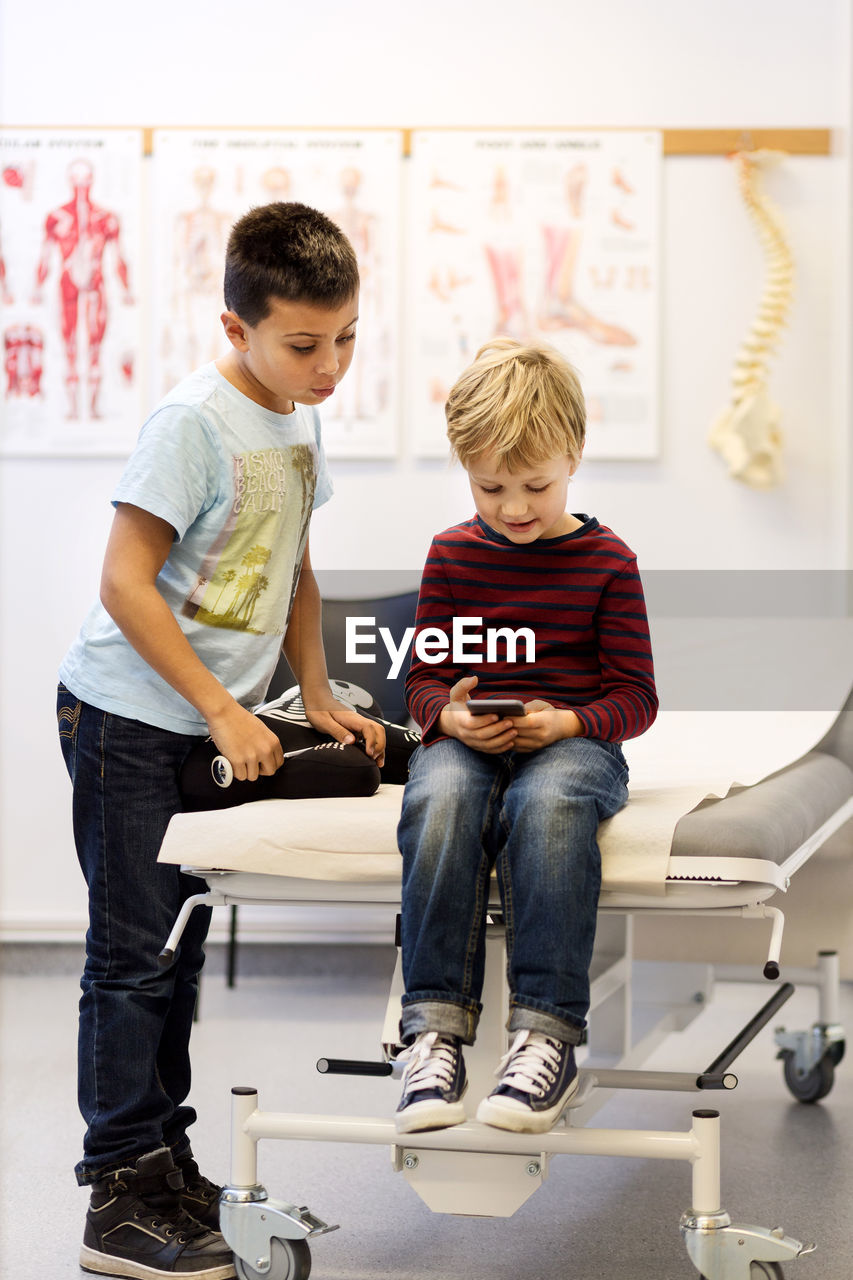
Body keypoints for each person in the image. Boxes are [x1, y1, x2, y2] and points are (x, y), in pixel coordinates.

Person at [57, 201, 385, 1280]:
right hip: (128, 722)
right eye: (304, 343)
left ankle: (164, 1156)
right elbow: (122, 581)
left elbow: (294, 562)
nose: (329, 363)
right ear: (234, 326)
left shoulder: (298, 415)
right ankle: (117, 1193)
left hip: (213, 719)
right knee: (132, 958)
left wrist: (313, 689)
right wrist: (220, 706)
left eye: (344, 338)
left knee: (179, 945)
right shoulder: (193, 423)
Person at [395, 337, 657, 1136]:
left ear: (573, 457)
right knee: (438, 792)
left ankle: (546, 1037)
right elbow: (420, 683)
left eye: (535, 486)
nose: (512, 507)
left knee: (546, 806)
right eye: (489, 487)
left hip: (573, 745)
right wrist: (447, 715)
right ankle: (433, 1034)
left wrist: (570, 721)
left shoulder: (608, 562)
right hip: (473, 742)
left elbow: (636, 698)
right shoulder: (449, 554)